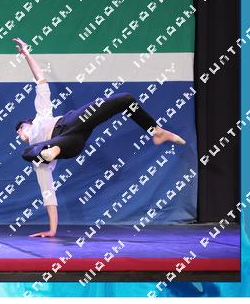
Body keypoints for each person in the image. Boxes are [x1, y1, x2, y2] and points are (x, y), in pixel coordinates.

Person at [11, 38, 185, 238]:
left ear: (28, 123)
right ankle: (55, 149)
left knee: (125, 99)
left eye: (20, 128)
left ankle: (156, 131)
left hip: (70, 122)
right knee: (29, 153)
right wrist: (52, 230)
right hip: (70, 144)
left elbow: (40, 80)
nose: (19, 133)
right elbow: (48, 191)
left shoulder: (41, 115)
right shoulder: (34, 153)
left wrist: (27, 54)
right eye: (17, 134)